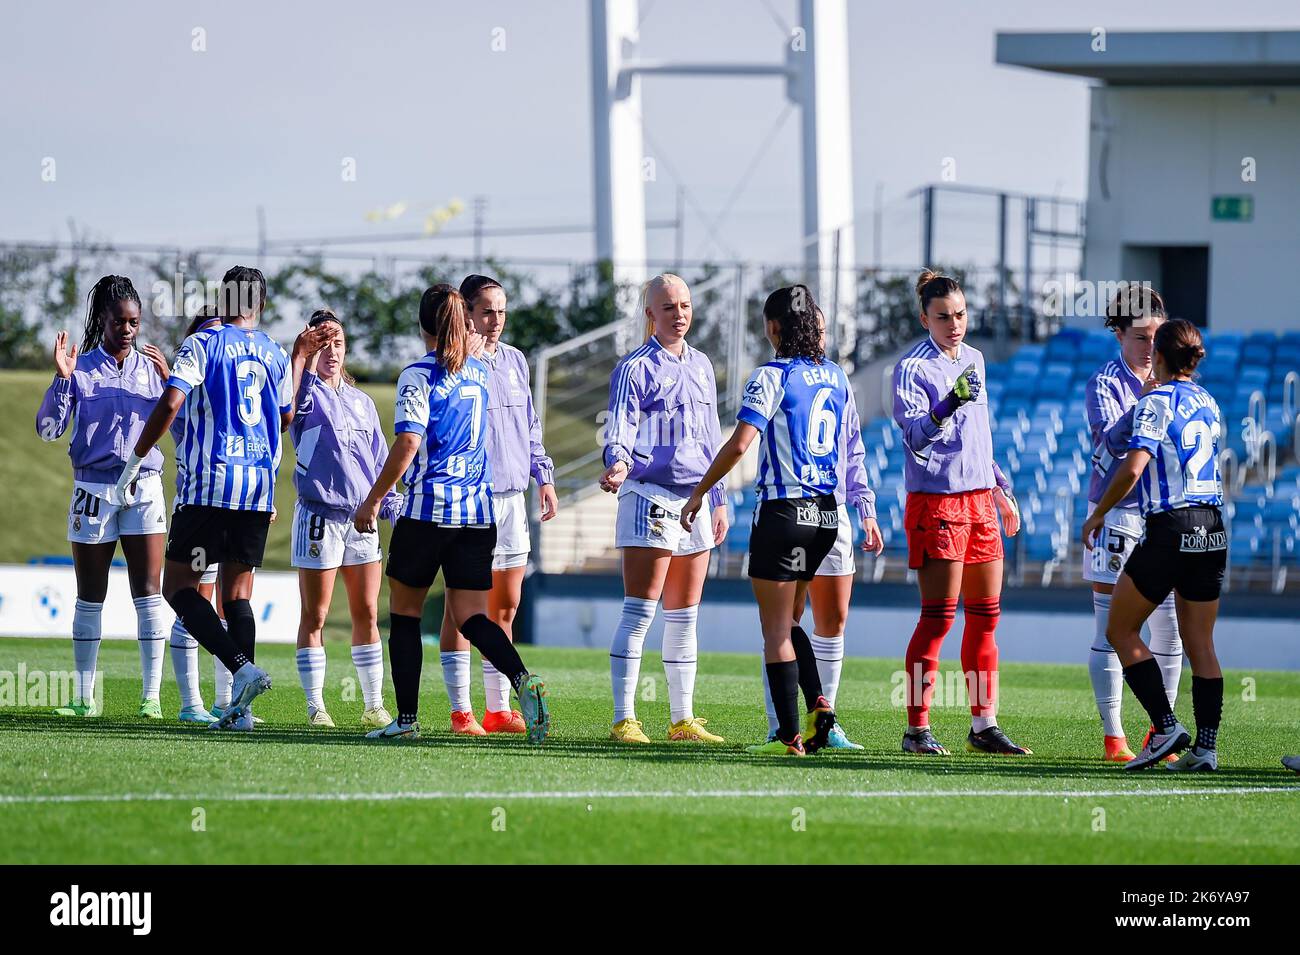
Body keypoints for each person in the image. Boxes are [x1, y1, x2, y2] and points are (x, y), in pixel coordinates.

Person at [114, 265, 331, 731]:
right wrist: (296, 359)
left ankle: (242, 670)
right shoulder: (273, 353)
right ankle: (241, 711)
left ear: (224, 299)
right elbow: (285, 417)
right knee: (237, 595)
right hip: (256, 490)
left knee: (177, 589)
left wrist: (136, 459)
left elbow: (171, 401)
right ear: (262, 305)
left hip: (210, 488)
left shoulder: (203, 344)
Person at [354, 283, 549, 744]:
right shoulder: (480, 374)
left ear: (422, 325)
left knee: (404, 615)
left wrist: (374, 498)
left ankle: (405, 723)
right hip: (477, 515)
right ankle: (523, 680)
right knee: (473, 617)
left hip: (427, 512)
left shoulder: (417, 375)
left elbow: (407, 443)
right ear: (463, 322)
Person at [682, 284, 846, 756]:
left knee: (775, 631)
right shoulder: (834, 375)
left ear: (774, 327)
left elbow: (739, 443)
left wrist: (699, 492)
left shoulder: (771, 375)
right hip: (825, 515)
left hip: (784, 512)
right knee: (792, 622)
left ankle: (789, 737)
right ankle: (820, 704)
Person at [892, 269, 1029, 756]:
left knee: (987, 616)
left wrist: (1000, 487)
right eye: (944, 316)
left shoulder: (974, 359)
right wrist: (949, 402)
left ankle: (983, 725)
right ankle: (916, 729)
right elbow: (913, 439)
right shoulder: (912, 368)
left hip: (979, 500)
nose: (954, 324)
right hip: (938, 501)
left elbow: (979, 439)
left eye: (961, 314)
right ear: (924, 317)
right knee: (937, 619)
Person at [1082, 319, 1226, 771]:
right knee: (1200, 643)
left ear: (1159, 357)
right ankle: (1205, 749)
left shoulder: (1155, 400)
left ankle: (1164, 726)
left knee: (1119, 630)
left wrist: (1099, 511)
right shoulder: (1209, 401)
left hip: (1171, 527)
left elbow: (1131, 467)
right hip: (1213, 527)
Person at [597, 273, 729, 744]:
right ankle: (623, 718)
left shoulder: (703, 365)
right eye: (669, 307)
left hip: (695, 500)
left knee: (684, 616)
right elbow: (620, 428)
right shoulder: (634, 368)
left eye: (686, 306)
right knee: (639, 612)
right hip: (650, 495)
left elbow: (713, 439)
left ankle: (681, 720)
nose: (679, 315)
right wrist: (616, 463)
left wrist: (718, 498)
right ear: (650, 315)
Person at [36, 275, 171, 718]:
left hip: (145, 486)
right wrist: (61, 380)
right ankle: (82, 697)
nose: (128, 329)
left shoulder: (153, 369)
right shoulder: (81, 368)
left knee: (149, 591)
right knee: (90, 592)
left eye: (134, 321)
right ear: (103, 320)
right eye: (120, 321)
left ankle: (151, 697)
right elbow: (48, 430)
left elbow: (182, 429)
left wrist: (173, 383)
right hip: (93, 488)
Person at [438, 275, 558, 736]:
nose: (496, 320)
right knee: (463, 609)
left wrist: (542, 476)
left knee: (505, 605)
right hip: (469, 500)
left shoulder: (514, 361)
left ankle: (498, 708)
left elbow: (530, 425)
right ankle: (460, 710)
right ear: (465, 312)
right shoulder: (456, 364)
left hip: (512, 500)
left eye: (502, 310)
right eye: (487, 310)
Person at [759, 307, 883, 749]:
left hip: (833, 510)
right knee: (785, 620)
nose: (819, 335)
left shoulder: (836, 378)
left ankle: (824, 723)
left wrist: (865, 507)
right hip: (806, 508)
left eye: (824, 328)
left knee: (831, 620)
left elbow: (853, 447)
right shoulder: (786, 377)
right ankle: (784, 724)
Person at [1084, 284, 1183, 763]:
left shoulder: (1175, 384)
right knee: (1109, 627)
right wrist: (1143, 404)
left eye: (1157, 336)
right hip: (1116, 513)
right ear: (1118, 335)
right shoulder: (1105, 383)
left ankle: (1159, 732)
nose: (1150, 347)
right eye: (1140, 337)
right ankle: (1113, 736)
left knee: (1169, 628)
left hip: (1161, 514)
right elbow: (1109, 446)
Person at [290, 308, 397, 730]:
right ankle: (316, 705)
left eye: (338, 343)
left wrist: (389, 504)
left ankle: (374, 703)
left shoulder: (362, 402)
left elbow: (379, 462)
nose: (331, 351)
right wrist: (301, 359)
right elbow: (287, 411)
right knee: (314, 616)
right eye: (323, 343)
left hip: (361, 522)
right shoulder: (303, 396)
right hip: (319, 516)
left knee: (367, 612)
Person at [165, 306, 223, 724]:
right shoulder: (190, 398)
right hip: (198, 506)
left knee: (226, 603)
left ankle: (225, 700)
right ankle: (191, 703)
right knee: (194, 600)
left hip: (232, 505)